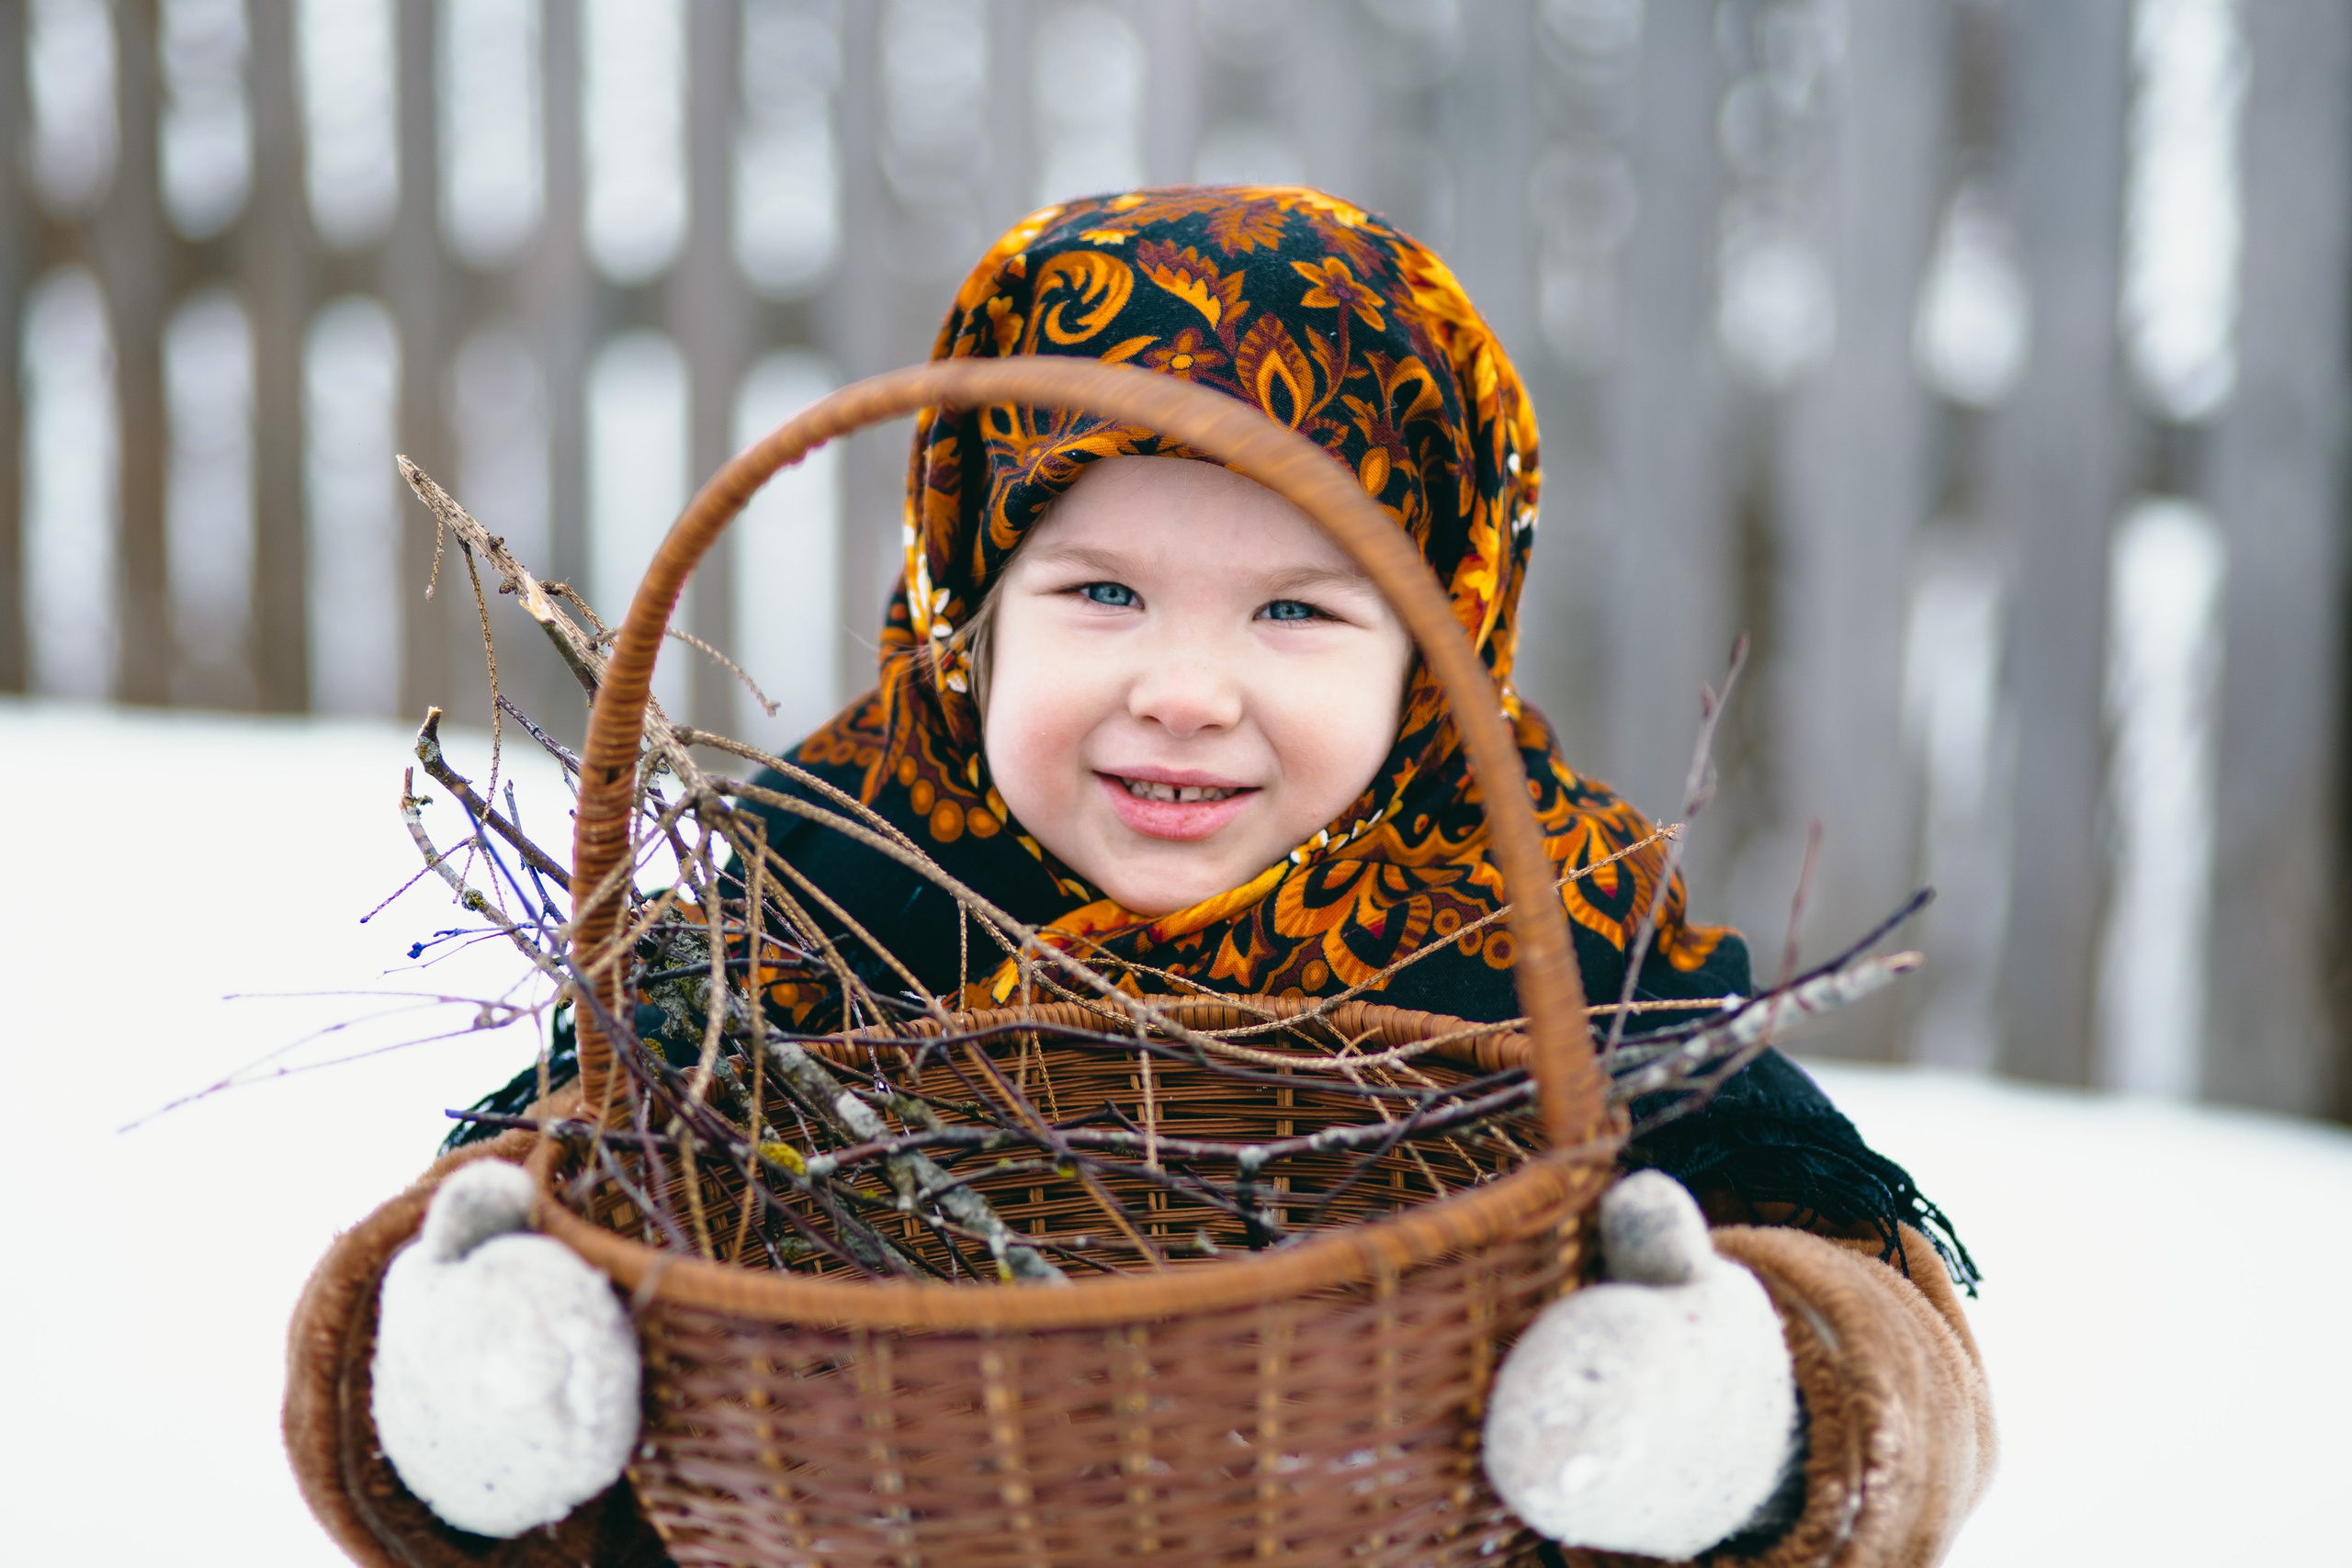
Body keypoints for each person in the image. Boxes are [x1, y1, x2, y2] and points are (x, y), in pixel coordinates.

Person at [311, 186, 1993, 1566]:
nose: (1185, 690)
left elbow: (1897, 1355)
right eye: (1102, 593)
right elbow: (543, 1184)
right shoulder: (832, 877)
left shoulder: (1545, 929)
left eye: (1296, 610)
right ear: (972, 600)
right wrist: (471, 1398)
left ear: (1439, 645)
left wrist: (1741, 1424)